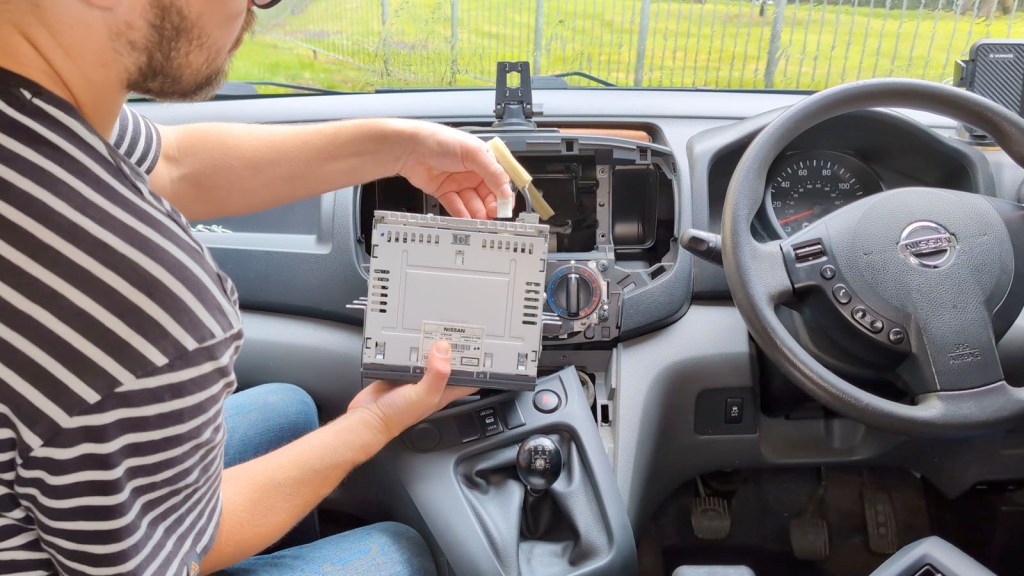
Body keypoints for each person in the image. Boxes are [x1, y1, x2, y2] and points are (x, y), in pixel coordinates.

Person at [0, 1, 514, 575]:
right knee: (396, 554)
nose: (254, 10)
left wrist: (401, 150)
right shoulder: (129, 291)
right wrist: (374, 423)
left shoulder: (39, 108)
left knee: (287, 408)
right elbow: (168, 559)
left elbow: (172, 164)